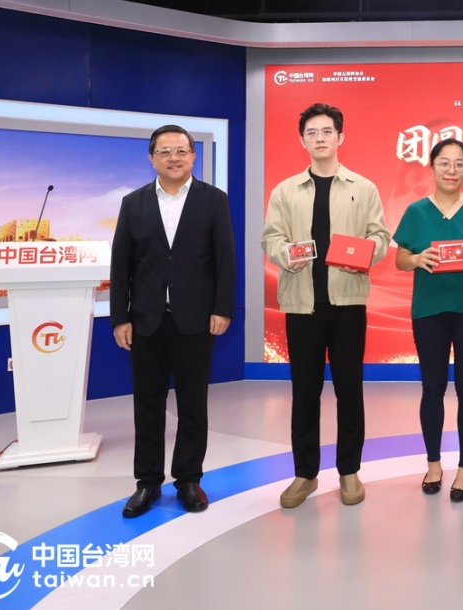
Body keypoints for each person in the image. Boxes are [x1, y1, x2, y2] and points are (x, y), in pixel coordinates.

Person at [261, 103, 391, 509]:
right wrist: (286, 254)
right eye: (312, 132)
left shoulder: (363, 188)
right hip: (302, 305)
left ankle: (349, 471)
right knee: (304, 392)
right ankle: (305, 473)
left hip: (348, 303)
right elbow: (270, 238)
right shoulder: (285, 190)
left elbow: (380, 237)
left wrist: (363, 255)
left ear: (340, 137)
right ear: (302, 140)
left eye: (327, 131)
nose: (320, 138)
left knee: (350, 390)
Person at [111, 125, 236, 518]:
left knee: (192, 404)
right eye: (164, 151)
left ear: (193, 156)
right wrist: (119, 317)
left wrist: (222, 309)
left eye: (181, 150)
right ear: (152, 158)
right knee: (147, 405)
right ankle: (147, 483)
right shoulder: (133, 203)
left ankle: (188, 480)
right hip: (145, 321)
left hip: (196, 320)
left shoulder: (213, 200)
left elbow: (224, 259)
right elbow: (121, 265)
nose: (174, 158)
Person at [393, 139, 463, 503]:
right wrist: (415, 259)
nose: (451, 170)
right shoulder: (416, 211)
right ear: (432, 167)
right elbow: (400, 258)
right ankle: (434, 464)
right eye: (444, 163)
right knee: (432, 388)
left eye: (458, 164)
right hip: (429, 311)